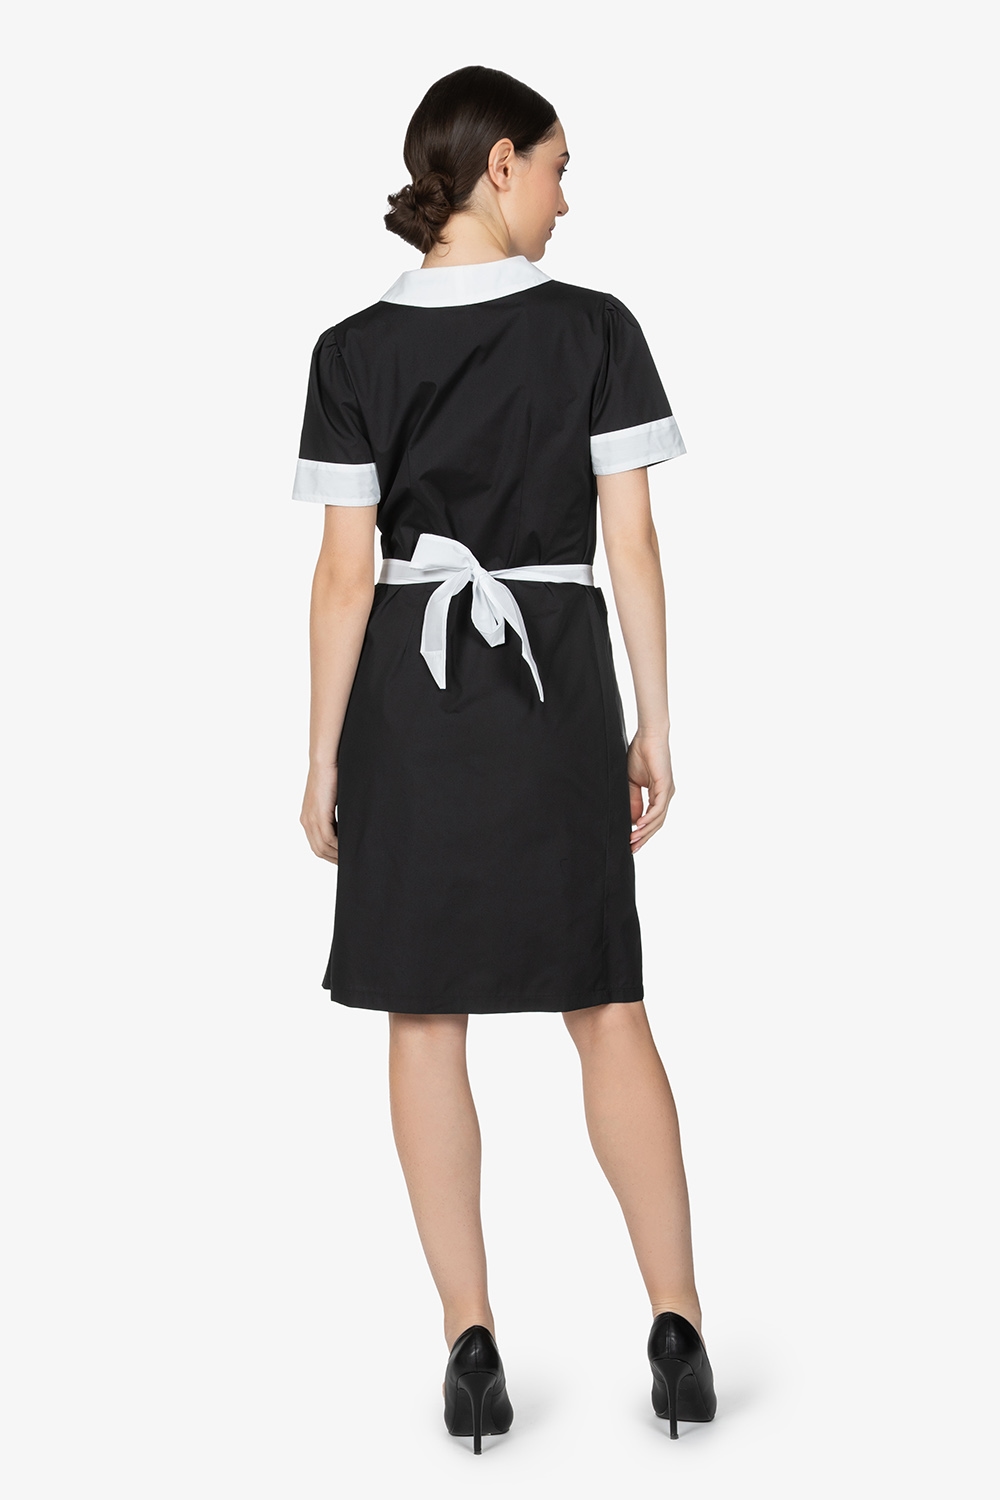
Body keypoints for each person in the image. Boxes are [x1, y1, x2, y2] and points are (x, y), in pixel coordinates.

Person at [292, 64, 717, 1451]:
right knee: (605, 1000)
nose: (565, 197)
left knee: (426, 1018)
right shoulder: (595, 328)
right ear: (498, 167)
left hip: (411, 713)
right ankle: (678, 1325)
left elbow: (344, 576)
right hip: (553, 692)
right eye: (558, 167)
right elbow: (631, 542)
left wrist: (320, 757)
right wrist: (655, 723)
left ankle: (469, 1343)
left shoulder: (351, 352)